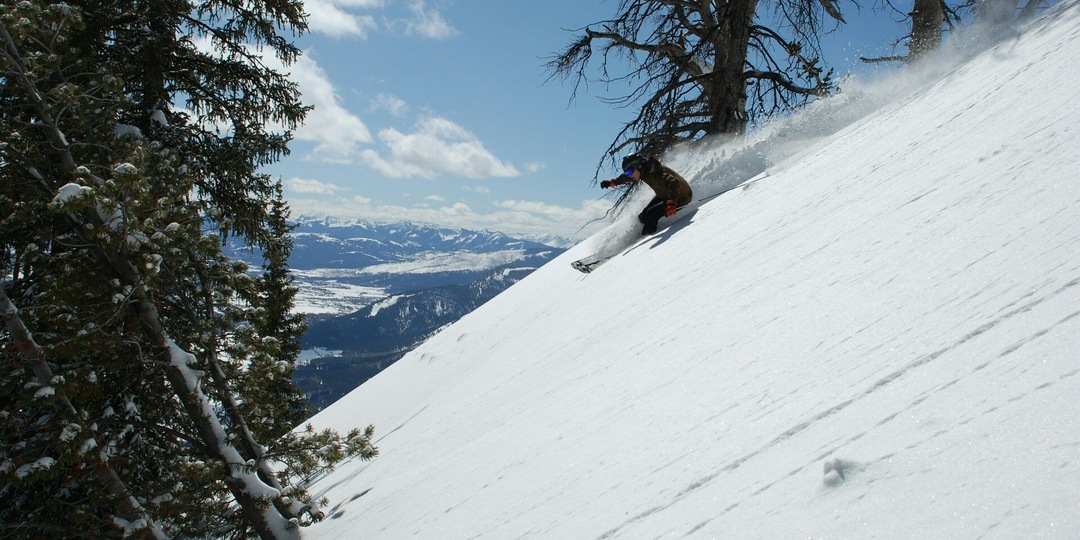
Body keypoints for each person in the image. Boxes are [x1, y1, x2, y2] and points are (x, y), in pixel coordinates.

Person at [600, 154, 693, 235]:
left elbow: (673, 182)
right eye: (626, 172)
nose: (628, 175)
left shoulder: (656, 172)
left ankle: (646, 240)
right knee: (643, 216)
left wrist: (672, 203)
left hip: (681, 197)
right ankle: (649, 230)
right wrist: (614, 182)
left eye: (629, 172)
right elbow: (626, 177)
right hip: (664, 195)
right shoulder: (643, 171)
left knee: (651, 214)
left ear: (638, 166)